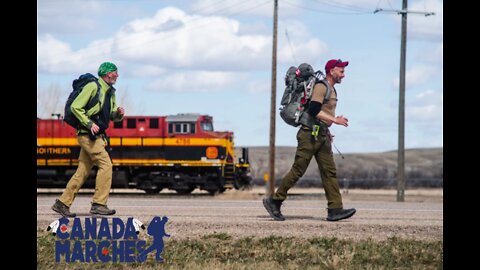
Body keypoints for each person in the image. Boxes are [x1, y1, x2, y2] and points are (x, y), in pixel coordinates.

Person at [263, 59, 356, 221]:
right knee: (298, 170)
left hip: (321, 134)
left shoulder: (332, 90)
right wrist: (335, 120)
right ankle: (274, 201)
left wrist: (327, 129)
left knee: (329, 172)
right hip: (309, 135)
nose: (343, 75)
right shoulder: (321, 86)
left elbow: (322, 114)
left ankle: (335, 209)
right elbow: (313, 110)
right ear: (331, 71)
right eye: (341, 71)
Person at [51, 62, 125, 217]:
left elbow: (111, 115)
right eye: (115, 72)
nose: (117, 75)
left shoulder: (111, 92)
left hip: (97, 135)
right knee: (106, 165)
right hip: (87, 135)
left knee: (82, 171)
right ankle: (99, 204)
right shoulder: (93, 86)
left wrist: (118, 113)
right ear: (107, 73)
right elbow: (76, 107)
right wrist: (89, 123)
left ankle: (62, 203)